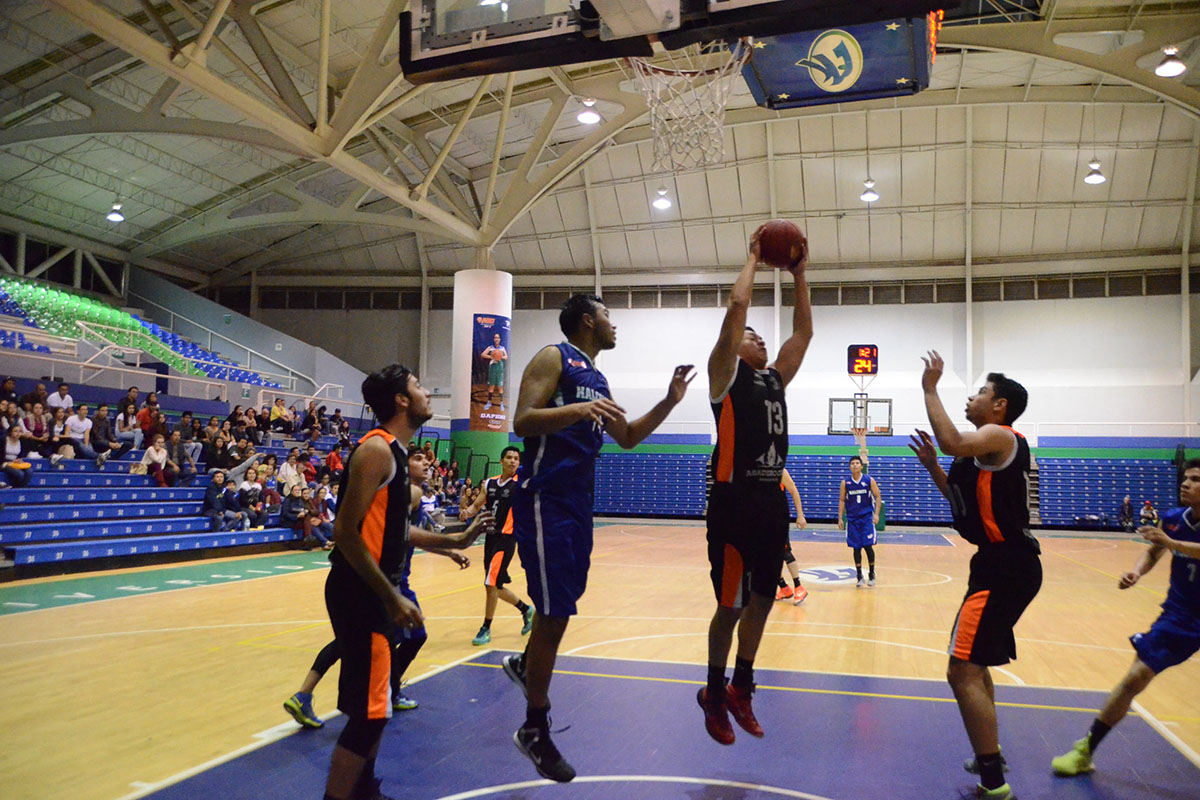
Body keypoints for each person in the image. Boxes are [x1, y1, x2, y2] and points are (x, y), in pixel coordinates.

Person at [501, 294, 694, 782]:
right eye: (609, 316)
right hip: (545, 498)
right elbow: (522, 421)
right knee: (554, 612)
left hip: (576, 503)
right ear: (587, 321)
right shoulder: (554, 357)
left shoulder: (598, 379)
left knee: (562, 606)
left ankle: (529, 667)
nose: (615, 326)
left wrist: (669, 403)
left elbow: (627, 436)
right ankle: (535, 730)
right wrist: (579, 408)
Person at [318, 364, 493, 800]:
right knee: (371, 715)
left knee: (375, 708)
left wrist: (453, 538)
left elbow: (397, 530)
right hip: (362, 592)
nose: (426, 392)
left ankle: (364, 789)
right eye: (418, 387)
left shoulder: (395, 454)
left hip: (370, 591)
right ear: (400, 400)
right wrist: (390, 593)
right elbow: (345, 532)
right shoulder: (376, 450)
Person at [698, 226, 812, 748]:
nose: (759, 338)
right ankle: (714, 690)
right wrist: (752, 258)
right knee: (731, 605)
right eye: (751, 337)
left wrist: (800, 275)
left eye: (761, 338)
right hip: (733, 504)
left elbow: (802, 335)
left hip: (769, 506)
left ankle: (743, 685)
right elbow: (737, 306)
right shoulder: (724, 376)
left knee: (765, 598)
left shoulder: (773, 380)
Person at [909, 352, 1039, 800]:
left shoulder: (999, 436)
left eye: (981, 392)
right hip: (1000, 564)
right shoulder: (985, 450)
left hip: (1006, 566)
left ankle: (993, 782)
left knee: (960, 670)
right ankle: (991, 756)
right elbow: (960, 502)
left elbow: (951, 442)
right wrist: (932, 469)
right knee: (974, 665)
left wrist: (930, 388)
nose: (972, 396)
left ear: (1000, 406)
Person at [284, 447, 484, 730]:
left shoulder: (402, 492)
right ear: (403, 465)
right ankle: (386, 692)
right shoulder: (410, 492)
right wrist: (455, 542)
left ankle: (305, 694)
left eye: (428, 460)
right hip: (390, 578)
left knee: (348, 640)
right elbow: (400, 533)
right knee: (412, 635)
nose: (426, 462)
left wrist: (447, 552)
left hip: (374, 575)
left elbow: (407, 535)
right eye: (417, 459)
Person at [1050, 459, 1200, 778]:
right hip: (1182, 617)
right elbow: (1153, 552)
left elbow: (1172, 546)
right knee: (1135, 678)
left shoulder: (1173, 532)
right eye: (1185, 478)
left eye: (1196, 479)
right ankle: (1086, 750)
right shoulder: (1173, 519)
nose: (1186, 484)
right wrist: (1136, 571)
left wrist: (1171, 544)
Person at [459, 445, 536, 645]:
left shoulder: (522, 485)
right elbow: (477, 505)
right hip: (490, 538)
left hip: (507, 538)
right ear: (501, 461)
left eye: (516, 458)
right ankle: (526, 610)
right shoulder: (490, 483)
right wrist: (466, 512)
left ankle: (486, 628)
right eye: (509, 457)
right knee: (495, 585)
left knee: (489, 583)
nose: (512, 461)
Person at [838, 454, 882, 588]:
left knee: (868, 545)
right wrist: (840, 518)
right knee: (856, 548)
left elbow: (878, 496)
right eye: (853, 463)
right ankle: (859, 575)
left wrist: (876, 514)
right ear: (850, 467)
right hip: (852, 519)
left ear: (861, 466)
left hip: (866, 518)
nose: (855, 465)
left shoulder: (869, 480)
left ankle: (872, 573)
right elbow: (842, 500)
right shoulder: (846, 482)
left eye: (857, 463)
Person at [775, 468, 809, 605]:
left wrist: (800, 515)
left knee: (784, 552)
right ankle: (784, 587)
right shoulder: (752, 472)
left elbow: (794, 491)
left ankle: (799, 586)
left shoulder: (780, 471)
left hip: (777, 518)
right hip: (760, 520)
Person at [481, 332, 508, 411]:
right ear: (494, 339)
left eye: (498, 338)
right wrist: (492, 356)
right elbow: (482, 354)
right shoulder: (490, 347)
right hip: (492, 369)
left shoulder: (502, 348)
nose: (496, 339)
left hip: (500, 370)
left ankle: (501, 403)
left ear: (500, 339)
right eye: (495, 338)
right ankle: (489, 402)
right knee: (491, 387)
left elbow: (506, 357)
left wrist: (500, 356)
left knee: (500, 387)